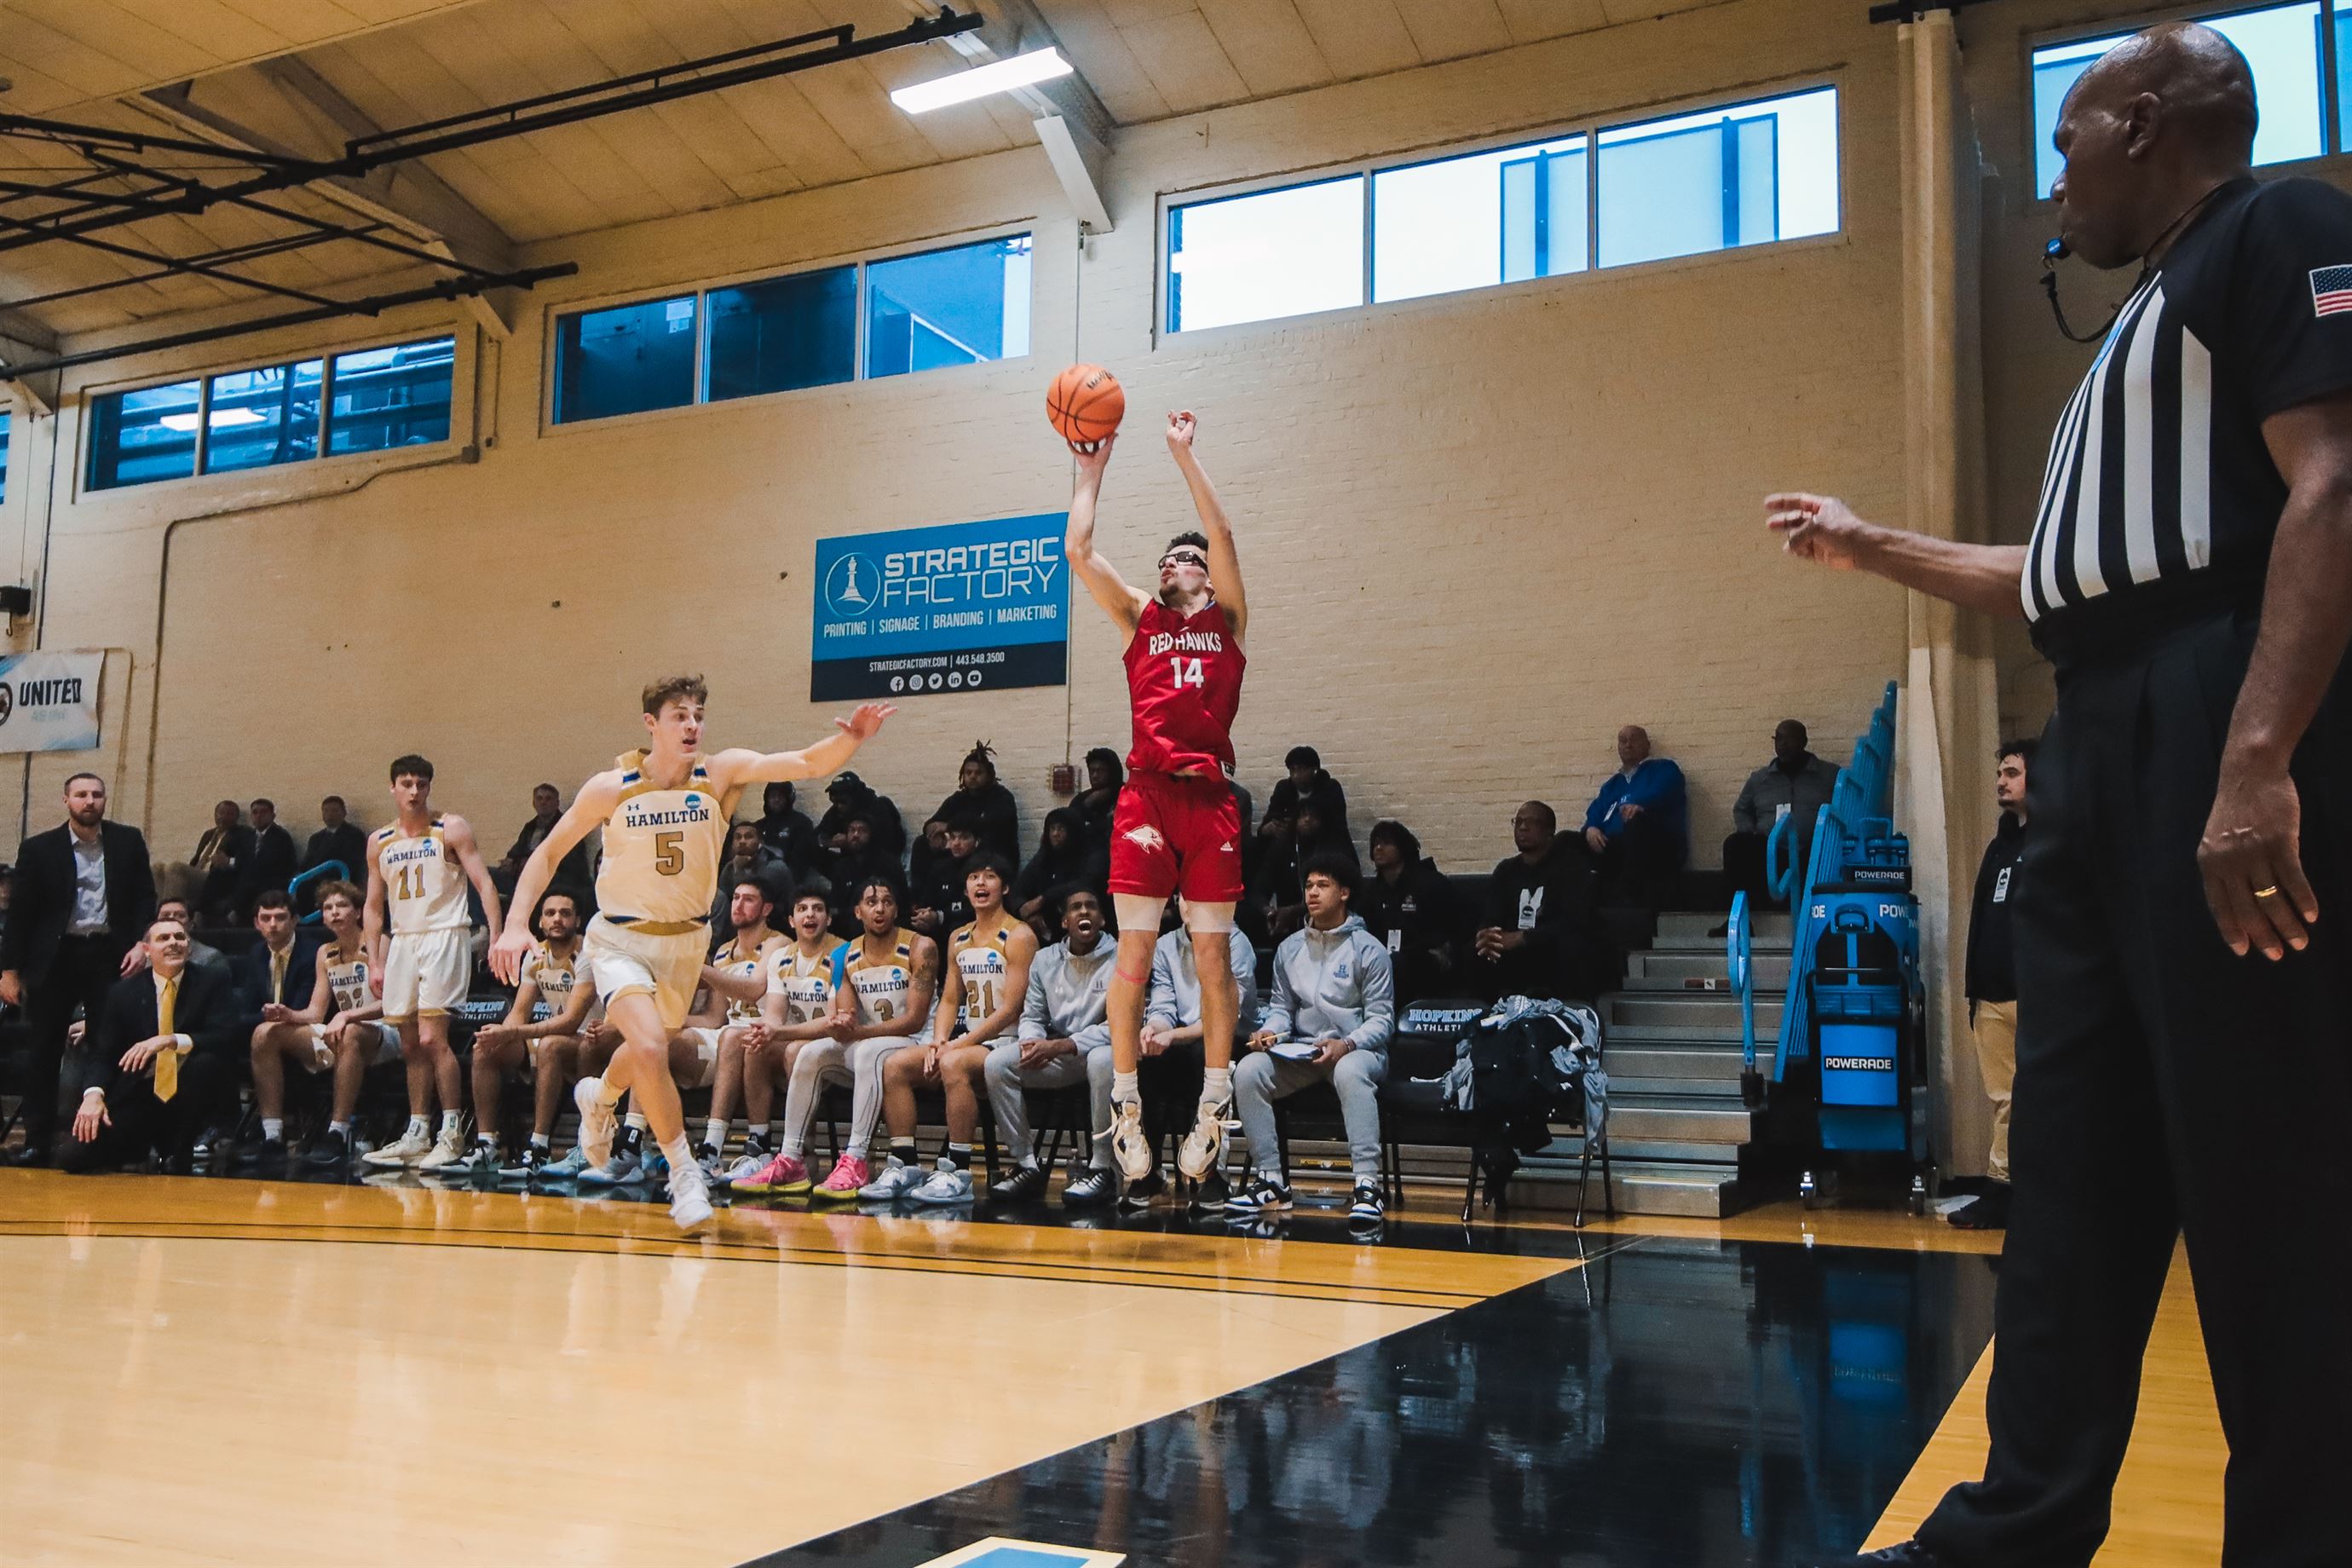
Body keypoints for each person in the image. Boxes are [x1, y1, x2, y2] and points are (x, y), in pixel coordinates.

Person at [1780, 27, 2352, 1568]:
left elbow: (2334, 484)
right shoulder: (2129, 332)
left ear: (2144, 120)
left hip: (2213, 702)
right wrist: (1870, 541)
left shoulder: (2280, 228)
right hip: (2098, 729)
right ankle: (2013, 1536)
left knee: (2265, 1173)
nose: (2054, 171)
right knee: (2079, 1178)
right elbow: (2050, 579)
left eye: (2069, 138)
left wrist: (2255, 762)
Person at [491, 674, 894, 1231]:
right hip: (619, 939)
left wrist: (851, 740)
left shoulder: (720, 772)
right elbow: (550, 851)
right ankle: (685, 1176)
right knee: (653, 1045)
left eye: (698, 714)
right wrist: (515, 924)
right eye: (679, 715)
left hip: (685, 942)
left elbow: (803, 762)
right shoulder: (612, 786)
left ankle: (601, 1096)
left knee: (648, 1051)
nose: (692, 724)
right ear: (651, 724)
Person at [1066, 407, 1252, 1190]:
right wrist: (1091, 467)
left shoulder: (1229, 618)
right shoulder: (1139, 617)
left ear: (1205, 575)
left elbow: (1224, 532)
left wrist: (1182, 454)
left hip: (1209, 801)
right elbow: (1077, 549)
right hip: (1145, 798)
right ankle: (1126, 1106)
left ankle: (1215, 1103)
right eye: (1170, 556)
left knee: (1211, 956)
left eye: (1189, 556)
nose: (1178, 561)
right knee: (1135, 954)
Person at [1229, 854, 1398, 1230]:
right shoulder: (1289, 949)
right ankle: (1271, 1179)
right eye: (1308, 885)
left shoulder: (1368, 949)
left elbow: (1383, 1021)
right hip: (1302, 1052)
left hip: (1356, 1051)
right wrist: (1269, 1032)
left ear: (1344, 893)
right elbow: (1279, 1009)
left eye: (1322, 885)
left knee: (1353, 1071)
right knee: (1250, 1069)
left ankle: (1367, 1185)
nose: (1313, 893)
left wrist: (1347, 1044)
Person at [862, 852, 1035, 1205]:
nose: (981, 884)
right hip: (969, 1042)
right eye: (973, 877)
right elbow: (951, 999)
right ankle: (905, 1164)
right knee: (894, 1066)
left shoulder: (1019, 935)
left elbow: (1011, 1008)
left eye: (989, 876)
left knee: (952, 1063)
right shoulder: (958, 936)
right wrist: (939, 1039)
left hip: (1012, 1041)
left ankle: (957, 1171)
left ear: (1005, 887)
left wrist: (957, 1045)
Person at [0, 772, 154, 1166]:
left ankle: (109, 1137)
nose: (90, 801)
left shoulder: (127, 840)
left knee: (112, 1045)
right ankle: (37, 1139)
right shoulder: (39, 848)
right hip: (56, 955)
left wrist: (142, 943)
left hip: (109, 952)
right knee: (44, 1050)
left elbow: (143, 897)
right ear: (66, 800)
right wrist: (9, 970)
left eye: (97, 795)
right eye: (81, 795)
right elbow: (21, 913)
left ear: (105, 800)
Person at [358, 755, 503, 1173]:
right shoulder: (379, 840)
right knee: (407, 1043)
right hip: (403, 940)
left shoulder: (450, 828)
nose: (414, 791)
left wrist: (495, 938)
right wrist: (374, 961)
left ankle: (452, 1132)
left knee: (432, 1039)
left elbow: (484, 884)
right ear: (392, 788)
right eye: (406, 783)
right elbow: (372, 905)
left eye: (422, 784)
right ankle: (417, 1131)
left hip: (446, 934)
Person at [61, 915, 238, 1173]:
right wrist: (93, 1095)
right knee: (72, 1157)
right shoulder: (122, 993)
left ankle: (180, 1149)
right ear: (146, 950)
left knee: (206, 1063)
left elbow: (226, 1035)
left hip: (189, 1094)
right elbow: (104, 1055)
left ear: (189, 946)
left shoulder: (213, 980)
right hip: (140, 1092)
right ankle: (136, 1146)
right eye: (163, 938)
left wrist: (169, 1040)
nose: (173, 943)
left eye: (179, 937)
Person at [799, 877, 937, 1201]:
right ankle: (791, 1155)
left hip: (918, 1041)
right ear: (858, 911)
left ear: (896, 909)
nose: (880, 909)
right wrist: (844, 1022)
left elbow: (914, 1020)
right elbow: (848, 1013)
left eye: (887, 902)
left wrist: (858, 1033)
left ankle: (856, 1158)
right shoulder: (843, 955)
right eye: (872, 902)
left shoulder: (921, 946)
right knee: (810, 1052)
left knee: (868, 1052)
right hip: (874, 1042)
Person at [247, 879, 400, 1172]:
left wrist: (347, 1016)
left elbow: (393, 1003)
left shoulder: (380, 943)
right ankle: (272, 1134)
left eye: (342, 906)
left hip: (388, 1032)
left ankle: (337, 1133)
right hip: (344, 1031)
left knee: (351, 1032)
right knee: (265, 1033)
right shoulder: (325, 953)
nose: (335, 913)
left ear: (357, 912)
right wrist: (288, 1014)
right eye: (328, 908)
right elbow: (316, 1013)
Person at [983, 887, 1120, 1208]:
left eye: (1091, 907)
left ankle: (1102, 1169)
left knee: (1102, 1058)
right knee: (997, 1064)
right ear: (1064, 922)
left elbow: (1121, 1026)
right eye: (1075, 908)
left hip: (1103, 1053)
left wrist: (1064, 1045)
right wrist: (1032, 1043)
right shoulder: (1045, 959)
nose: (1084, 913)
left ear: (1102, 919)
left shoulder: (1122, 956)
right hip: (1059, 1053)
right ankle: (1026, 1165)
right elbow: (1032, 1015)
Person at [1950, 742, 2032, 1233]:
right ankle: (2002, 1189)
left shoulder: (2052, 842)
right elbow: (1979, 922)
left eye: (2013, 773)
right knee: (2005, 1097)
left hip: (2039, 995)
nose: (2001, 781)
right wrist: (1972, 991)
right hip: (1993, 996)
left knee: (2035, 1096)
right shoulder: (1997, 848)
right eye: (1999, 772)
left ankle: (2028, 1189)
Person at [459, 889, 597, 1179]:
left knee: (550, 1045)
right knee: (485, 1047)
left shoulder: (588, 955)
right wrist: (501, 1034)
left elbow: (571, 1021)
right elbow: (519, 1011)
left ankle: (539, 1147)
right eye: (550, 913)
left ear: (578, 920)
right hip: (556, 1039)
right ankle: (487, 1145)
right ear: (540, 922)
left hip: (593, 1041)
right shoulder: (536, 955)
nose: (557, 919)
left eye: (565, 913)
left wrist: (515, 1032)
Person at [717, 889, 845, 1192]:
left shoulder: (841, 954)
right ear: (791, 920)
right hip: (797, 1040)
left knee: (797, 1052)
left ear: (828, 918)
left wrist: (779, 1033)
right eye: (802, 909)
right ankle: (759, 1147)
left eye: (817, 909)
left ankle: (803, 1152)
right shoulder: (781, 958)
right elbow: (775, 1015)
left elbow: (832, 1022)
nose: (810, 915)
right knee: (755, 1043)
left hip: (838, 1043)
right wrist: (764, 1030)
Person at [1137, 900, 1260, 1206]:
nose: (1190, 907)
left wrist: (1172, 1036)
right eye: (1184, 900)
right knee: (1149, 1060)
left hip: (1234, 1036)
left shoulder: (1236, 943)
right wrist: (1153, 1028)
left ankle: (1213, 1176)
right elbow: (1163, 1003)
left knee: (1203, 1060)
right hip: (1180, 1035)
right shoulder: (1166, 944)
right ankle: (1150, 1173)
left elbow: (1226, 1015)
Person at [688, 876, 781, 1173]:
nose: (738, 904)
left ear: (767, 909)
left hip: (768, 1034)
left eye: (749, 899)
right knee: (659, 1040)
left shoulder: (778, 943)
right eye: (736, 897)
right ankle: (650, 1142)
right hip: (729, 1037)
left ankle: (712, 1148)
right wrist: (665, 1020)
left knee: (731, 1036)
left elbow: (755, 989)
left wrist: (698, 969)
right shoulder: (723, 950)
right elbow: (714, 1018)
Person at [1475, 803, 1605, 1002]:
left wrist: (1522, 937)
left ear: (1550, 830)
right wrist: (1487, 935)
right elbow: (1491, 915)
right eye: (1518, 821)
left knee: (1571, 948)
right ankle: (1487, 1021)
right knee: (1478, 952)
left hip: (1550, 948)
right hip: (1515, 951)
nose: (1522, 828)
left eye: (1531, 822)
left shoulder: (1572, 867)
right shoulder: (1506, 870)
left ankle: (1570, 1017)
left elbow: (1574, 921)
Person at [1724, 721, 1842, 906]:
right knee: (1734, 845)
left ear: (1804, 741)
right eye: (1778, 739)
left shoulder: (1830, 775)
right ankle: (1740, 916)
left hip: (1812, 851)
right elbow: (1741, 809)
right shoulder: (1760, 779)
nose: (1783, 745)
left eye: (1789, 739)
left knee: (1825, 850)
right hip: (1770, 850)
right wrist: (1747, 828)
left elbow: (1844, 809)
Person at [1355, 820, 1462, 1005]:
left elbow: (1454, 924)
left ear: (1402, 848)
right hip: (1383, 956)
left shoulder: (1430, 883)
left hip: (1424, 957)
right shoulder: (1371, 891)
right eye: (1376, 844)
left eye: (1386, 843)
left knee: (1398, 963)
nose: (1379, 848)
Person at [1581, 725, 1688, 907]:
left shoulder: (1664, 768)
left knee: (1636, 822)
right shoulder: (1612, 785)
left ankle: (1630, 898)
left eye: (1634, 740)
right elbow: (1596, 812)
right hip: (1614, 848)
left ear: (1647, 745)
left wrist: (1642, 805)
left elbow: (1665, 791)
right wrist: (1591, 828)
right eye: (1623, 741)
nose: (1628, 745)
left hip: (1657, 848)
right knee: (1566, 840)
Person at [1012, 806, 1106, 938]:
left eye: (1061, 828)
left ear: (1072, 831)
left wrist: (1044, 899)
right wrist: (1026, 912)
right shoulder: (1046, 854)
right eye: (1052, 829)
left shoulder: (1092, 853)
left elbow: (1087, 882)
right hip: (1048, 932)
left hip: (1087, 930)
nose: (1055, 834)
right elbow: (1018, 889)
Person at [496, 783, 597, 900]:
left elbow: (571, 863)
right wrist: (510, 862)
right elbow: (515, 852)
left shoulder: (567, 827)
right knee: (485, 876)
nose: (543, 802)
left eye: (548, 798)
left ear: (557, 803)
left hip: (559, 879)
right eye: (539, 798)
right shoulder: (530, 827)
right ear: (534, 803)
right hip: (524, 877)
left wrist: (533, 864)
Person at [931, 741, 1019, 862]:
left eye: (978, 773)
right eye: (968, 773)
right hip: (961, 854)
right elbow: (932, 822)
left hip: (995, 855)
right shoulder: (958, 798)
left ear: (989, 776)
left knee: (986, 840)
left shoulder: (1002, 797)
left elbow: (993, 824)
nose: (972, 776)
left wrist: (949, 826)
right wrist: (934, 832)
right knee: (921, 842)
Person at [709, 821, 789, 936]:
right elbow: (724, 903)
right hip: (739, 925)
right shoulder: (729, 867)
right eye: (738, 837)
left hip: (771, 926)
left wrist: (739, 870)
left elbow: (752, 899)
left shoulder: (775, 867)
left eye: (748, 837)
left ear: (760, 842)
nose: (742, 841)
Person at [817, 771, 905, 868]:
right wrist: (828, 842)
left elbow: (889, 843)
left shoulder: (879, 807)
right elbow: (818, 834)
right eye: (834, 802)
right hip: (850, 863)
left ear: (855, 798)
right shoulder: (836, 811)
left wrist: (851, 841)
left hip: (879, 863)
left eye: (843, 802)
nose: (838, 806)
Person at [191, 799, 251, 925]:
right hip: (198, 871)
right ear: (215, 814)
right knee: (159, 869)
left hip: (215, 877)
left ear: (236, 818)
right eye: (220, 813)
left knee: (176, 868)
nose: (223, 817)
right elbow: (197, 858)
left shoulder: (243, 834)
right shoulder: (208, 834)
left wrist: (228, 861)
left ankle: (172, 917)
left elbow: (246, 861)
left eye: (229, 814)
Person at [238, 798, 298, 917]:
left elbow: (270, 863)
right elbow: (241, 860)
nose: (259, 816)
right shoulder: (247, 836)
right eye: (255, 812)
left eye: (263, 812)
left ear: (273, 816)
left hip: (272, 880)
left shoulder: (281, 836)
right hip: (249, 880)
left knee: (249, 885)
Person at [755, 781, 820, 881]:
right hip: (758, 878)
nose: (776, 800)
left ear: (789, 798)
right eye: (773, 796)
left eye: (781, 796)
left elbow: (800, 861)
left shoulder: (802, 823)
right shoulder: (759, 825)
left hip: (789, 878)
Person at [156, 896, 230, 975]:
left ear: (191, 924)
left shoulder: (211, 958)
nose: (171, 919)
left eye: (180, 915)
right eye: (165, 915)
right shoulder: (148, 956)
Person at [1071, 747, 1124, 851]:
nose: (1095, 776)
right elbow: (1069, 826)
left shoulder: (1126, 797)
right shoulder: (1082, 799)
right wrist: (1088, 803)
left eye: (1100, 771)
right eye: (1092, 771)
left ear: (1112, 772)